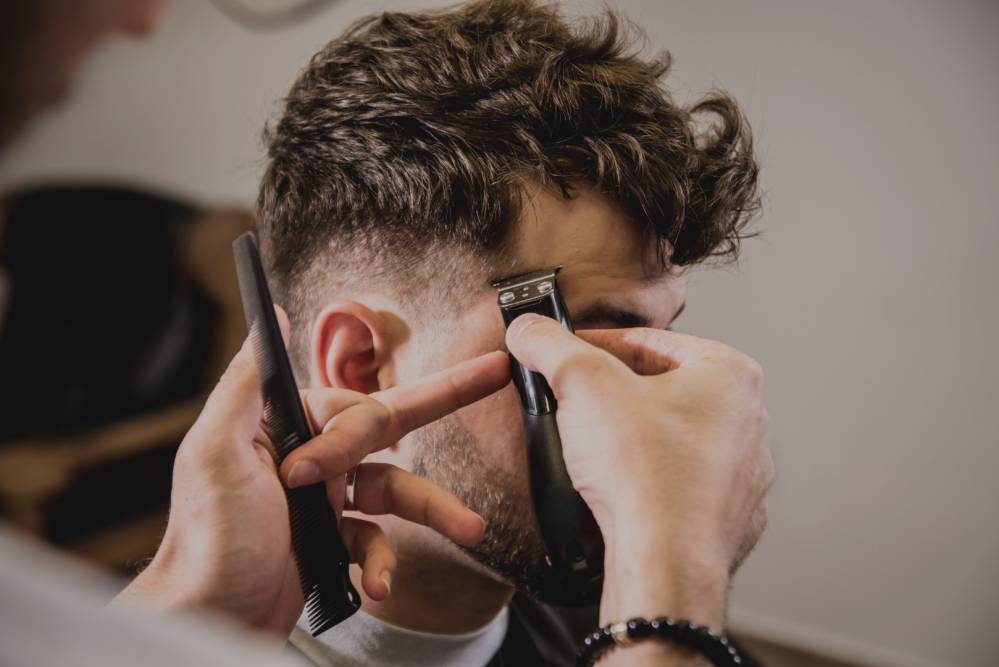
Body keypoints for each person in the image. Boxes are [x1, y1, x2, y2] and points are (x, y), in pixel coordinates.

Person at [2, 1, 774, 666]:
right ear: (363, 365)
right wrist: (674, 595)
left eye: (656, 347)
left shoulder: (619, 624)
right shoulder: (665, 620)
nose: (656, 413)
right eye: (598, 347)